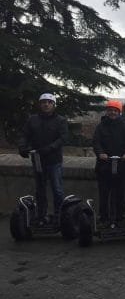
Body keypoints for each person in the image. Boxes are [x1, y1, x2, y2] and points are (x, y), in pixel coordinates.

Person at [17, 93, 68, 225]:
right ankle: (42, 215)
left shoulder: (60, 120)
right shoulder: (32, 120)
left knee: (57, 189)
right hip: (38, 160)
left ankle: (59, 215)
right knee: (40, 190)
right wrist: (22, 147)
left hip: (54, 160)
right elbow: (24, 135)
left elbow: (63, 138)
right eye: (44, 102)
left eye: (49, 102)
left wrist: (50, 148)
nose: (46, 104)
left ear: (54, 105)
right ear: (40, 104)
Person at [92, 100, 125, 227]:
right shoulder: (101, 126)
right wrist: (100, 153)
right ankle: (104, 217)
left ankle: (120, 218)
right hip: (104, 165)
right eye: (110, 110)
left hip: (122, 165)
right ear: (107, 112)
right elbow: (96, 142)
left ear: (119, 112)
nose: (112, 112)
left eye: (115, 111)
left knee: (120, 193)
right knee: (104, 193)